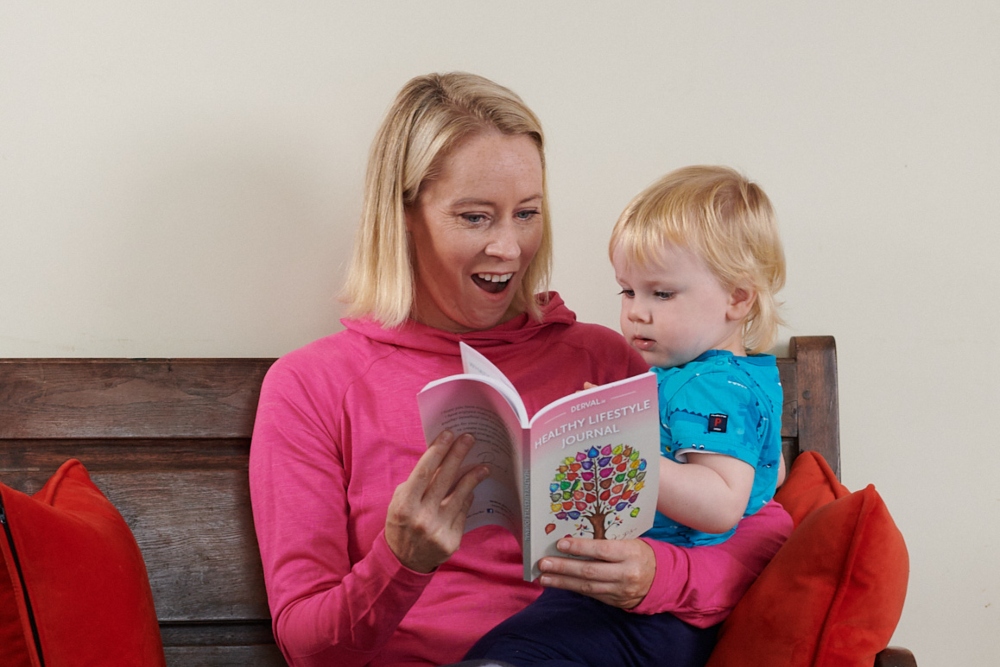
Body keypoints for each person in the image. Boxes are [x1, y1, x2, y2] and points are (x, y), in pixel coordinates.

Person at [248, 73, 793, 667]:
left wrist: (662, 575)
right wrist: (400, 562)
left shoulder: (612, 359)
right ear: (406, 213)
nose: (509, 248)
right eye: (475, 217)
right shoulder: (312, 387)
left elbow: (763, 526)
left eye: (526, 213)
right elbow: (306, 646)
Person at [464, 166, 787, 667]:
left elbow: (724, 502)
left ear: (737, 298)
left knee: (518, 653)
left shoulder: (715, 388)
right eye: (627, 291)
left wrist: (623, 447)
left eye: (661, 294)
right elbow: (768, 470)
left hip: (658, 616)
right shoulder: (715, 378)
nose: (637, 312)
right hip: (631, 599)